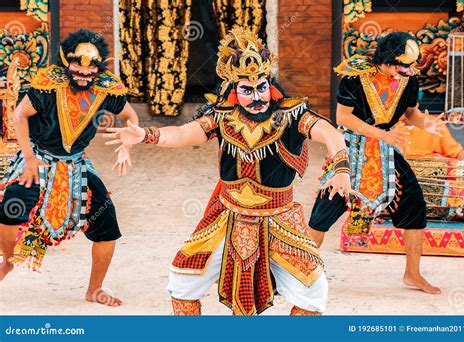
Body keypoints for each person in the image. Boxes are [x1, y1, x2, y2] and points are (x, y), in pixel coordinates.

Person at [104, 27, 354, 315]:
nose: (257, 96)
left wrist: (341, 168)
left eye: (262, 87)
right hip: (227, 215)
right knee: (183, 281)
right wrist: (145, 135)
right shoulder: (221, 117)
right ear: (234, 92)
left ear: (270, 85)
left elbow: (330, 133)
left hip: (280, 218)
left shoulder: (291, 114)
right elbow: (184, 134)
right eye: (247, 90)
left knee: (313, 290)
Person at [0, 29, 139, 307]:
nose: (83, 76)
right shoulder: (48, 85)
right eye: (77, 68)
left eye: (90, 72)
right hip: (40, 159)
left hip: (76, 165)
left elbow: (130, 115)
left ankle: (94, 289)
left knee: (107, 225)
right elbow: (19, 115)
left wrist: (127, 143)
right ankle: (8, 260)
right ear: (67, 63)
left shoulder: (105, 88)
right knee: (9, 209)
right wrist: (28, 159)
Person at [308, 32, 444, 295]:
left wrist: (427, 123)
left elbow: (410, 112)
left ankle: (412, 273)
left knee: (414, 202)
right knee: (323, 211)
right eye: (403, 65)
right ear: (387, 60)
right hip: (350, 148)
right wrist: (383, 134)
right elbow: (344, 117)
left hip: (385, 150)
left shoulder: (408, 78)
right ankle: (301, 273)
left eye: (410, 65)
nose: (409, 70)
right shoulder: (354, 75)